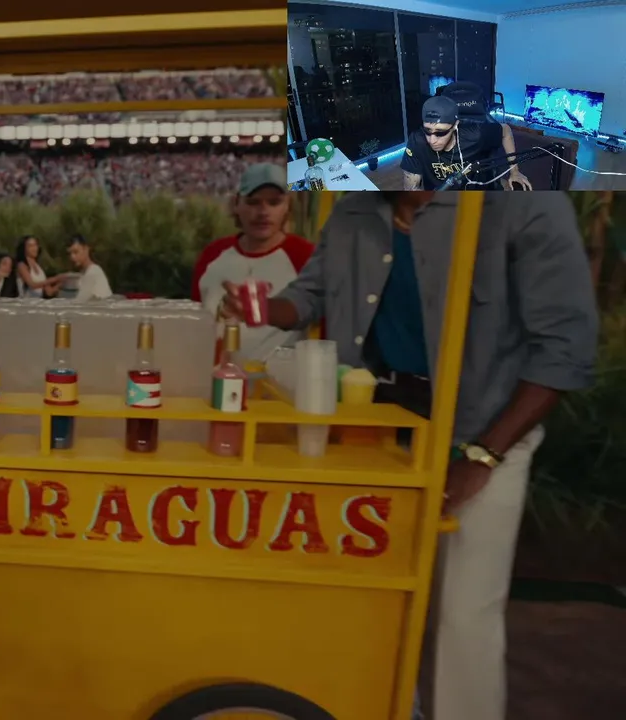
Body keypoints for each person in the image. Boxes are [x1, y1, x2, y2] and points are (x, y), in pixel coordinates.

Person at [220, 191, 597, 720]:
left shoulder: (523, 202)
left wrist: (483, 456)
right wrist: (264, 308)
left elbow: (566, 348)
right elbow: (313, 293)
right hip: (376, 432)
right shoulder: (354, 208)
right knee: (369, 601)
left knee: (460, 616)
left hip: (483, 432)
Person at [192, 163, 312, 361]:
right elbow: (196, 323)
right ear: (236, 205)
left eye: (274, 202)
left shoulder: (304, 256)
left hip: (280, 378)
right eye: (253, 202)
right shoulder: (212, 255)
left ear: (287, 206)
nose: (263, 212)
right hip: (214, 374)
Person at [401, 96, 532, 191]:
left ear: (455, 125)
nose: (432, 140)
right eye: (427, 131)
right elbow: (411, 188)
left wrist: (514, 171)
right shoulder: (417, 141)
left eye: (441, 133)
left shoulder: (476, 135)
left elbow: (506, 131)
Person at [65, 235, 113, 301]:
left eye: (76, 252)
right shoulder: (86, 273)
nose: (72, 257)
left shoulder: (93, 273)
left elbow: (80, 301)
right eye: (69, 254)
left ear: (86, 249)